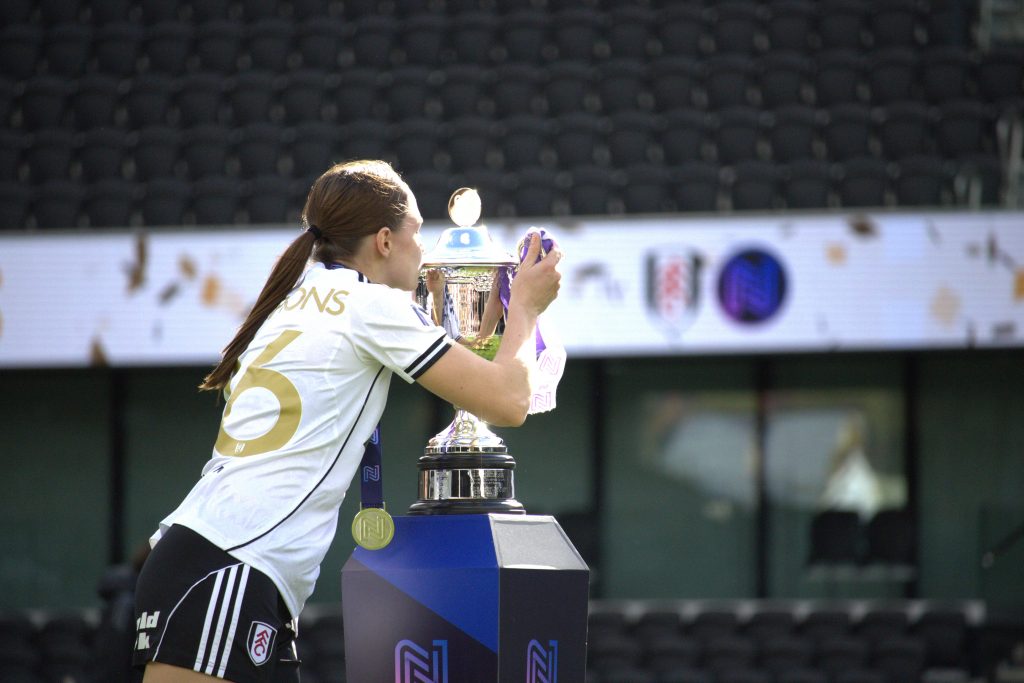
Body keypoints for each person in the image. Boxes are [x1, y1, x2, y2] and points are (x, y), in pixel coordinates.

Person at [132, 159, 562, 683]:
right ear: (385, 241)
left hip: (212, 560)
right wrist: (526, 307)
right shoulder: (370, 307)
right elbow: (509, 402)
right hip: (232, 567)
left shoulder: (295, 297)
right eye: (417, 233)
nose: (423, 250)